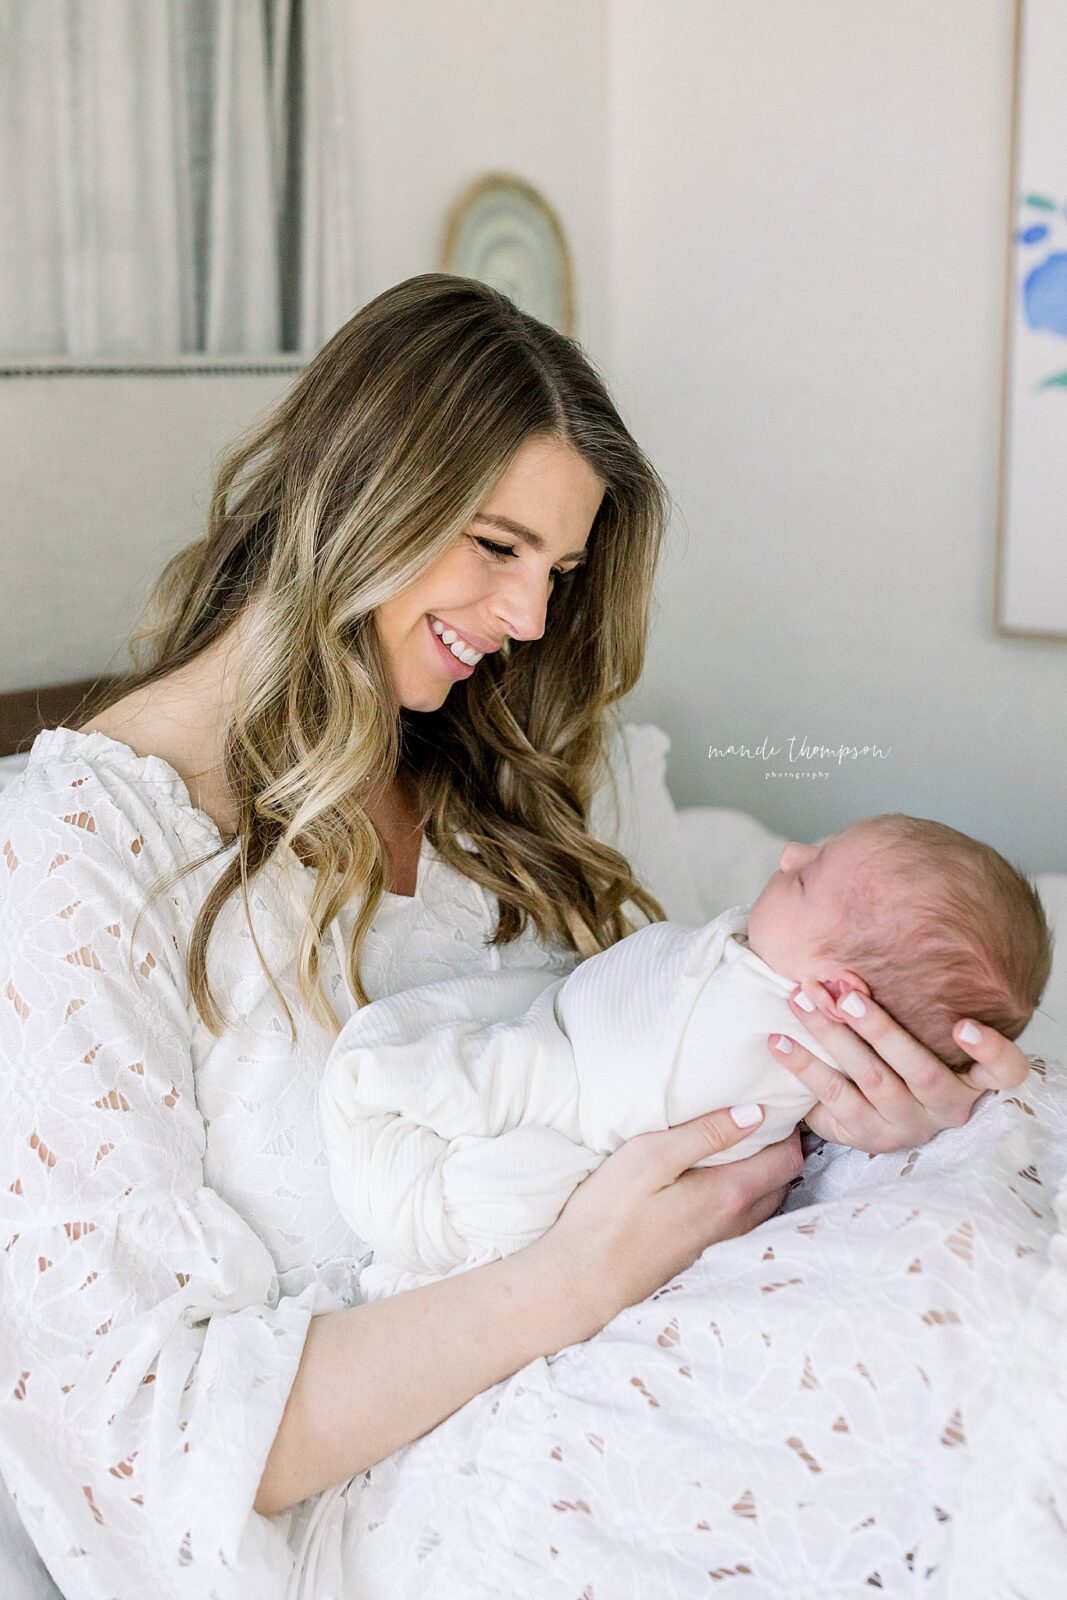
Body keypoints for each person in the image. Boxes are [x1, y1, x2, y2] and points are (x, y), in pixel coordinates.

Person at [0, 274, 1030, 1599]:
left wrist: (852, 1123)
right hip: (413, 1510)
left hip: (651, 1376)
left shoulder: (512, 779)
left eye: (555, 569)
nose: (533, 620)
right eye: (495, 548)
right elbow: (139, 1441)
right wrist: (577, 1275)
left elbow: (668, 1086)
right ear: (349, 494)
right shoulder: (72, 863)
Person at [319, 812, 1051, 1297]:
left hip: (580, 1097)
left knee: (504, 1081)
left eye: (804, 877)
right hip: (563, 1039)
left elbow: (619, 1092)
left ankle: (417, 1125)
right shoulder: (764, 976)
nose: (789, 854)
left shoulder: (754, 1036)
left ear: (836, 992)